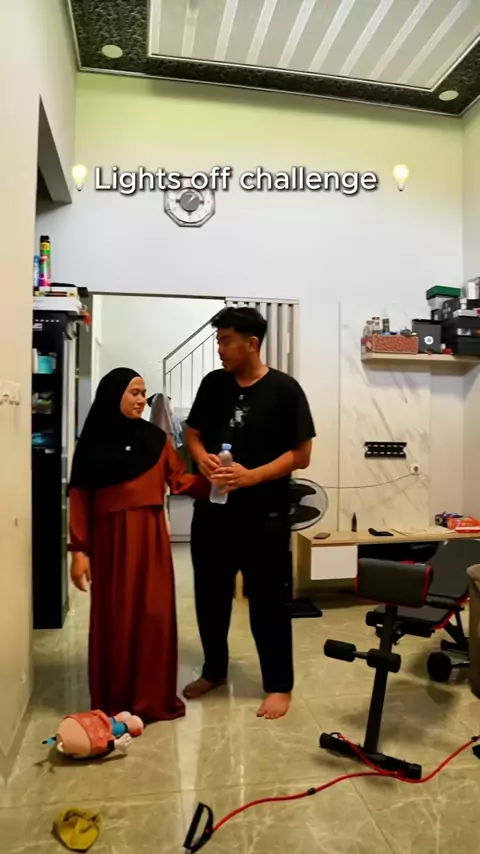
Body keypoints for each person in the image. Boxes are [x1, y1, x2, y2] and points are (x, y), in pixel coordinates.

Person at [183, 306, 316, 719]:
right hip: (213, 513)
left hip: (264, 517)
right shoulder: (213, 385)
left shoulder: (285, 390)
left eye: (226, 341)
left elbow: (302, 454)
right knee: (210, 597)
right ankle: (214, 670)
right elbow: (192, 432)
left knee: (268, 603)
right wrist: (201, 457)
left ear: (251, 343)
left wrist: (252, 476)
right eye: (219, 340)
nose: (220, 349)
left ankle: (278, 685)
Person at [68, 368, 208, 723]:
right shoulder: (92, 444)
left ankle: (151, 699)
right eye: (134, 392)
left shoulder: (155, 439)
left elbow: (181, 479)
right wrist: (79, 551)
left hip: (150, 540)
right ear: (113, 395)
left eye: (144, 393)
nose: (141, 400)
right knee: (116, 618)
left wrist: (219, 483)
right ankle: (115, 698)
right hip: (109, 542)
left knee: (153, 615)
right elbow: (80, 498)